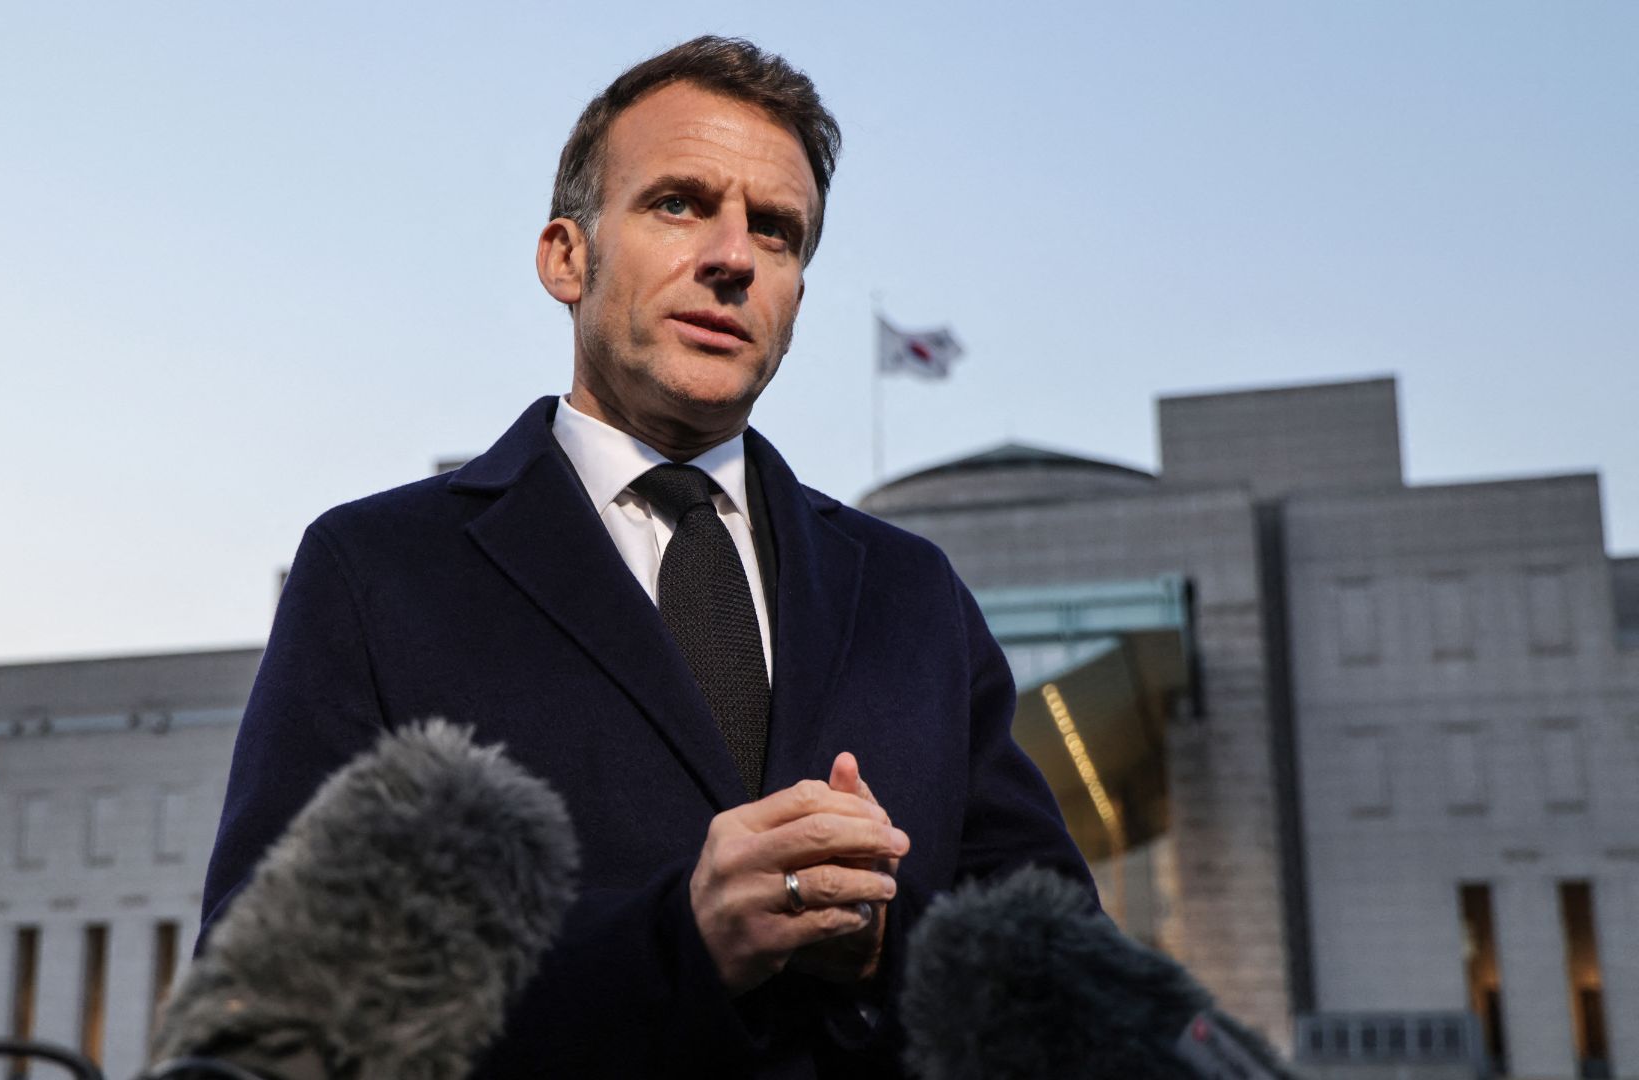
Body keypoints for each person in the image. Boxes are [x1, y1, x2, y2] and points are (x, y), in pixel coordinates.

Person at [200, 36, 1093, 1078]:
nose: (733, 256)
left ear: (798, 295)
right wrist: (676, 946)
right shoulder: (379, 571)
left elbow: (1068, 970)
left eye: (776, 230)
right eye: (679, 204)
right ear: (565, 256)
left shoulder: (911, 594)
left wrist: (879, 947)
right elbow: (268, 998)